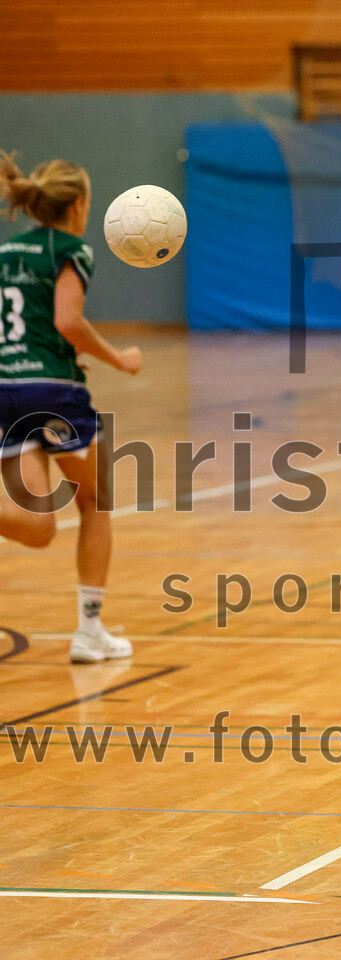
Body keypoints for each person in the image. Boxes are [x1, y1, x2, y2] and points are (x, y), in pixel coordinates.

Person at [0, 150, 142, 662]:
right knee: (95, 501)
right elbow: (67, 320)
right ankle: (88, 632)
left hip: (7, 390)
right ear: (79, 204)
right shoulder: (72, 250)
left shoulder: (5, 252)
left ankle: (91, 634)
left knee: (37, 526)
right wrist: (117, 358)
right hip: (55, 393)